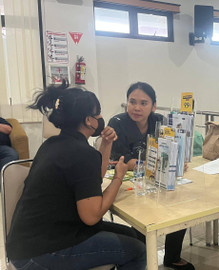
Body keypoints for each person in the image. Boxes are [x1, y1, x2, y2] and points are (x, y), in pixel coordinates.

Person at [6, 83, 146, 269]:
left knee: (133, 235)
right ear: (89, 120)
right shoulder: (80, 153)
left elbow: (93, 179)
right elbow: (92, 215)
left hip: (32, 240)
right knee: (138, 250)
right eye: (98, 113)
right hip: (38, 253)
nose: (101, 118)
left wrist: (106, 144)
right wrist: (118, 178)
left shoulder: (53, 144)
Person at [108, 82, 194, 270]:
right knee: (142, 219)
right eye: (132, 102)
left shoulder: (160, 121)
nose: (137, 107)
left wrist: (176, 159)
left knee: (180, 209)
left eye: (143, 103)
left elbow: (170, 146)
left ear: (154, 106)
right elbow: (121, 160)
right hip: (129, 182)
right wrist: (147, 165)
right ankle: (142, 256)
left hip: (158, 179)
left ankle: (172, 256)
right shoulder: (117, 123)